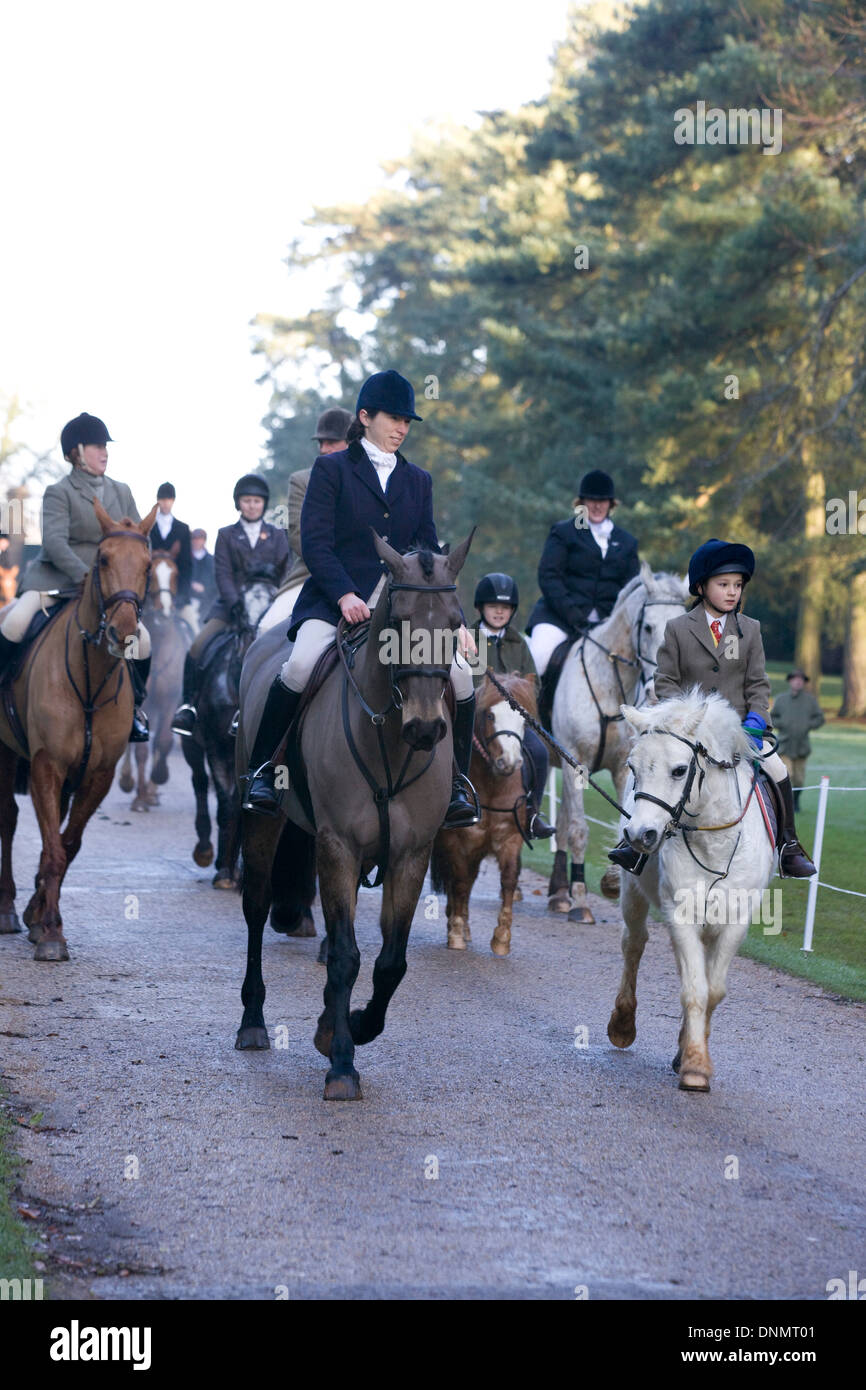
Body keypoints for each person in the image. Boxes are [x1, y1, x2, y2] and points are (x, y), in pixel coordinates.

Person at [243, 369, 479, 827]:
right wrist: (345, 593)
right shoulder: (331, 470)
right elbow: (316, 543)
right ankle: (264, 772)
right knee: (298, 665)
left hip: (405, 614)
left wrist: (457, 621)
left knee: (464, 677)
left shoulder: (418, 480)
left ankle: (456, 786)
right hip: (335, 602)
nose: (402, 428)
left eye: (408, 421)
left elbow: (432, 559)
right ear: (365, 416)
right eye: (394, 418)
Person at [608, 538, 816, 877]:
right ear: (702, 587)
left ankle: (787, 844)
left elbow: (758, 685)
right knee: (655, 764)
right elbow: (666, 682)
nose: (732, 592)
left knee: (778, 768)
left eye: (737, 585)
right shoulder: (677, 628)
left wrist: (754, 719)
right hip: (689, 731)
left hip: (740, 731)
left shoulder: (750, 630)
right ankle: (634, 844)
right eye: (723, 585)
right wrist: (682, 718)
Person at [0, 412, 151, 742]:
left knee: (144, 642)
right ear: (76, 452)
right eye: (97, 446)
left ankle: (135, 711)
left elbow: (140, 537)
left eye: (105, 446)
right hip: (56, 582)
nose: (105, 452)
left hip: (110, 590)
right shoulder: (59, 491)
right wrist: (87, 576)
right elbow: (54, 542)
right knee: (13, 624)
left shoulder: (122, 491)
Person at [171, 473, 289, 735]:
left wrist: (277, 604)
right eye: (246, 500)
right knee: (198, 646)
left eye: (257, 501)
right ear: (239, 504)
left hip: (270, 608)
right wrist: (235, 601)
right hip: (231, 607)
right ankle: (188, 707)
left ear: (264, 504)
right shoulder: (226, 535)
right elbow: (222, 572)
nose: (252, 505)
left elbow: (286, 572)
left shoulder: (278, 535)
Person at [525, 470, 641, 676]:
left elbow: (631, 586)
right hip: (559, 618)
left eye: (603, 500)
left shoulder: (627, 542)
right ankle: (535, 708)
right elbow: (549, 577)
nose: (597, 506)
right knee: (538, 658)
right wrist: (575, 616)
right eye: (591, 500)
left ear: (611, 503)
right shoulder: (563, 532)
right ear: (582, 502)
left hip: (609, 623)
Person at [471, 572, 554, 839]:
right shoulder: (466, 639)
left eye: (504, 608)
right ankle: (451, 803)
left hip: (513, 721)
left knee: (539, 752)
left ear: (512, 611)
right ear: (481, 607)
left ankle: (531, 813)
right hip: (474, 721)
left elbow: (535, 684)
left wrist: (521, 700)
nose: (498, 612)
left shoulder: (519, 643)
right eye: (493, 606)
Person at [771, 670, 825, 810]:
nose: (798, 681)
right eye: (795, 679)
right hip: (785, 744)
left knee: (799, 779)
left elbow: (820, 718)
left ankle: (796, 801)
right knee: (786, 776)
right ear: (790, 681)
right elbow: (772, 717)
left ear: (804, 682)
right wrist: (782, 723)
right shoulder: (781, 699)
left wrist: (808, 725)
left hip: (802, 746)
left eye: (801, 679)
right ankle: (785, 804)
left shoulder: (810, 700)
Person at [149, 483, 195, 625]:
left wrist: (181, 597)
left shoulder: (183, 529)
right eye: (162, 500)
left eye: (168, 499)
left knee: (193, 626)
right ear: (158, 501)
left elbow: (186, 566)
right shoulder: (148, 527)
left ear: (173, 501)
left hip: (176, 591)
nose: (165, 503)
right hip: (151, 591)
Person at [189, 528, 217, 618]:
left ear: (204, 541)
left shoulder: (212, 560)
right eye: (194, 539)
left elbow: (215, 582)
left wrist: (204, 588)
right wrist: (191, 584)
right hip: (188, 599)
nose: (196, 542)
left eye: (199, 539)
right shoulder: (186, 559)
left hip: (206, 602)